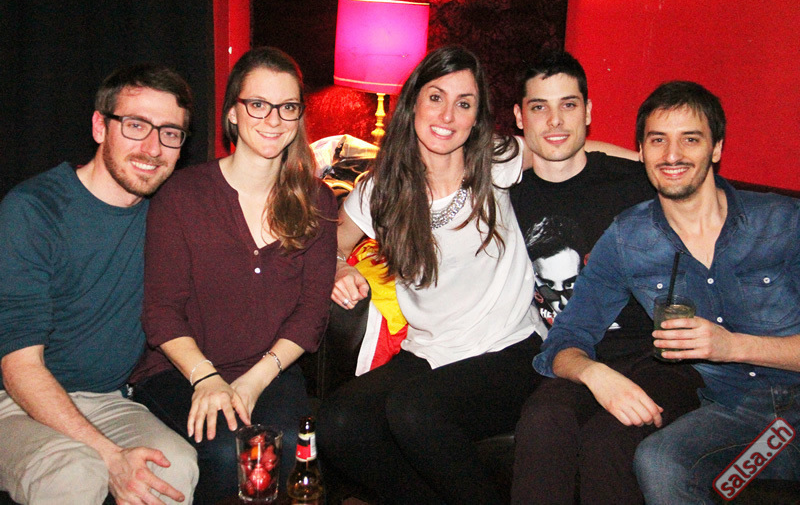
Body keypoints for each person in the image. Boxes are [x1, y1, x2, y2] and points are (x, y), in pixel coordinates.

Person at [530, 79, 800, 503]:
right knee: (659, 460)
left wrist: (731, 346)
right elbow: (567, 336)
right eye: (658, 140)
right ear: (640, 151)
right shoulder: (628, 238)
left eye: (690, 139)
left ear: (716, 148)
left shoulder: (783, 221)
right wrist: (594, 374)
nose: (672, 155)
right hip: (736, 415)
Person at [316, 45, 543, 504]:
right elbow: (330, 246)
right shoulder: (381, 191)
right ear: (413, 103)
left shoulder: (496, 160)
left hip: (512, 348)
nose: (448, 115)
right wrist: (339, 269)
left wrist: (651, 164)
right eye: (436, 97)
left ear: (477, 117)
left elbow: (572, 153)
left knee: (414, 411)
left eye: (464, 103)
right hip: (431, 351)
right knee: (337, 423)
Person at [129, 47, 337, 504]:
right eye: (258, 104)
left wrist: (254, 380)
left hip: (270, 369)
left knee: (285, 451)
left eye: (287, 107)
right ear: (232, 113)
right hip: (180, 370)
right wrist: (205, 378)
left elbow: (310, 315)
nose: (273, 119)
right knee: (231, 456)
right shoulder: (182, 195)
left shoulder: (317, 201)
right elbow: (161, 310)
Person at [510, 52, 705, 504]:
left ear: (588, 111)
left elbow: (696, 182)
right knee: (542, 422)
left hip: (657, 355)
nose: (555, 120)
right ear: (520, 117)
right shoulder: (504, 195)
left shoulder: (637, 181)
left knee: (609, 440)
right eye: (539, 107)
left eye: (569, 105)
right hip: (572, 354)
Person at [0, 65, 198, 504]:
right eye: (136, 125)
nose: (152, 148)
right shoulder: (34, 210)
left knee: (175, 468)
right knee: (75, 473)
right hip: (14, 401)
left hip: (107, 399)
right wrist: (110, 456)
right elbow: (20, 367)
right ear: (99, 126)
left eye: (170, 133)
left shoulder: (168, 214)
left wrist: (337, 264)